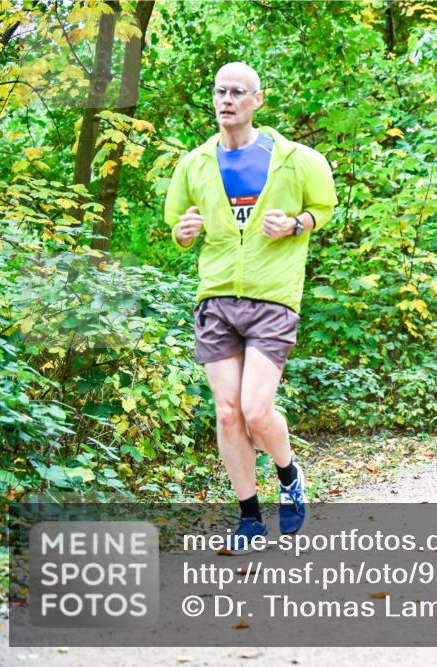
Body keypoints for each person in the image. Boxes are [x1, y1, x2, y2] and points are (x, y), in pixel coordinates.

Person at [164, 63, 337, 552]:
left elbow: (322, 210)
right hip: (216, 297)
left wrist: (295, 224)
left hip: (273, 297)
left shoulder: (296, 159)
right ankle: (249, 518)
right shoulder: (194, 163)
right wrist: (182, 233)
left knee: (256, 410)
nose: (227, 99)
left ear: (258, 100)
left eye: (238, 92)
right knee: (226, 413)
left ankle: (289, 475)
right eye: (220, 91)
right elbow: (177, 223)